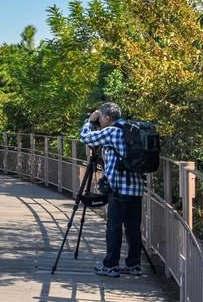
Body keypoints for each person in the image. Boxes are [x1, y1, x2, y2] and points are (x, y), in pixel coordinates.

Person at [79, 102, 145, 278]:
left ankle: (111, 266)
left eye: (100, 117)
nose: (99, 120)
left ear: (107, 118)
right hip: (137, 187)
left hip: (118, 187)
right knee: (133, 228)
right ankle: (134, 265)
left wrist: (89, 121)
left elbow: (85, 138)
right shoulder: (132, 130)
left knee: (114, 227)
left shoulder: (112, 131)